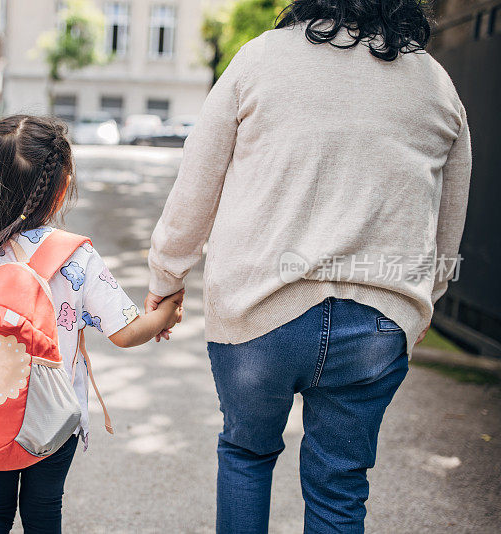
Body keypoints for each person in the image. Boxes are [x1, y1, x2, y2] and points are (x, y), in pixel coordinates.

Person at [146, 0, 471, 532]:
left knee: (247, 455)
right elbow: (449, 216)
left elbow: (197, 183)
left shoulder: (259, 60)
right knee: (340, 488)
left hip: (259, 313)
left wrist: (167, 277)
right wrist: (423, 303)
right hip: (377, 322)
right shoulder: (436, 85)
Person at [0, 114, 183, 533]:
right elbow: (125, 333)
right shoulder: (74, 256)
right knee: (44, 512)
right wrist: (165, 313)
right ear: (60, 190)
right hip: (52, 419)